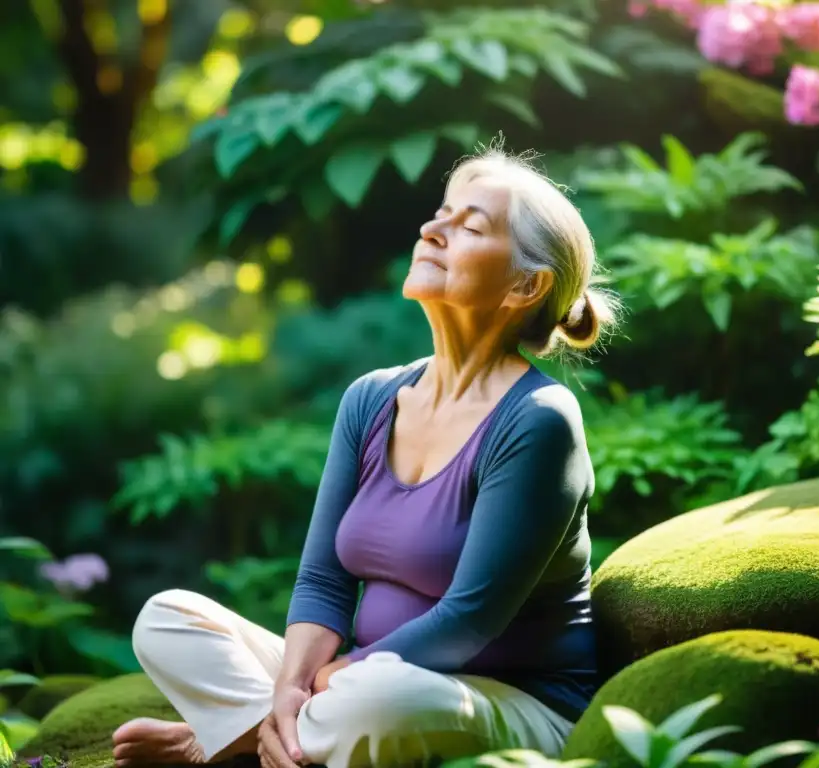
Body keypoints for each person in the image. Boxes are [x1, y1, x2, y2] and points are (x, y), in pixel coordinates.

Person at [111, 145, 619, 768]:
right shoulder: (372, 399)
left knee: (380, 699)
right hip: (355, 684)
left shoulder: (539, 420)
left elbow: (467, 622)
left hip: (505, 702)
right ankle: (271, 736)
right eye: (441, 214)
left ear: (525, 286)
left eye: (470, 226)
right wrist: (292, 686)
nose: (433, 230)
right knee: (167, 620)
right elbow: (324, 580)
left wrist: (328, 683)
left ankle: (227, 740)